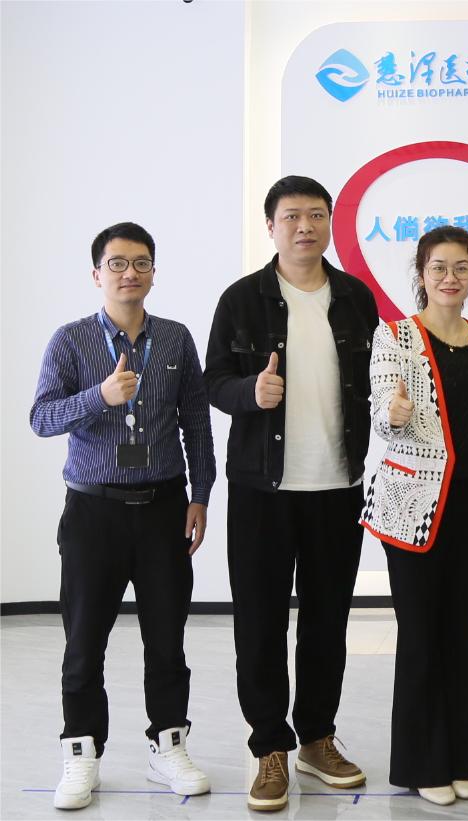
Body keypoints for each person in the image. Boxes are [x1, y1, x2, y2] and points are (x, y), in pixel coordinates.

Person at [204, 176, 378, 812]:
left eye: (316, 214)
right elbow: (213, 382)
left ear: (330, 221)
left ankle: (317, 739)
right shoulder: (241, 298)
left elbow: (379, 380)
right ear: (270, 226)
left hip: (338, 485)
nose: (305, 226)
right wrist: (249, 393)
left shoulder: (356, 298)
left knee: (328, 622)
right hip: (262, 488)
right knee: (260, 623)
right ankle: (269, 748)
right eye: (291, 216)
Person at [30, 222, 215, 810]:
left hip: (164, 508)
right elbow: (41, 418)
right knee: (84, 642)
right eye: (116, 263)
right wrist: (100, 397)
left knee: (167, 639)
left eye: (140, 262)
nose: (129, 273)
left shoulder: (175, 339)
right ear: (96, 274)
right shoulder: (70, 340)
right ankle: (81, 751)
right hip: (94, 511)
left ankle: (169, 745)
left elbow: (196, 422)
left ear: (154, 272)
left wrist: (201, 494)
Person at [359, 226, 468, 806]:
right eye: (438, 268)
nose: (450, 278)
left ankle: (457, 759)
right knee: (422, 635)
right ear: (421, 274)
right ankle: (422, 763)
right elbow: (381, 413)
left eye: (461, 268)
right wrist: (395, 414)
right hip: (413, 507)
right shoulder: (395, 335)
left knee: (459, 633)